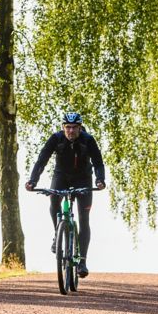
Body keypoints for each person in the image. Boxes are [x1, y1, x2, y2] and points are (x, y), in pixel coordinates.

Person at [25, 111, 106, 278]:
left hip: (83, 178)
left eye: (74, 128)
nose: (70, 131)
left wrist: (100, 180)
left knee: (84, 218)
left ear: (80, 127)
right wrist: (33, 181)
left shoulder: (88, 140)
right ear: (63, 127)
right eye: (67, 127)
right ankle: (58, 233)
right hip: (61, 176)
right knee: (53, 200)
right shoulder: (56, 139)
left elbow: (98, 162)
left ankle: (82, 261)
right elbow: (42, 160)